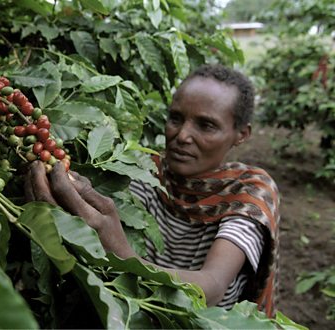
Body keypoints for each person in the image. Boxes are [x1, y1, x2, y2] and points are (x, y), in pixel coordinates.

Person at [24, 64, 280, 317]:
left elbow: (211, 288)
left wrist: (123, 255)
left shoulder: (249, 192)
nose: (182, 135)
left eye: (206, 125)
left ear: (241, 134)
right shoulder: (143, 172)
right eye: (176, 118)